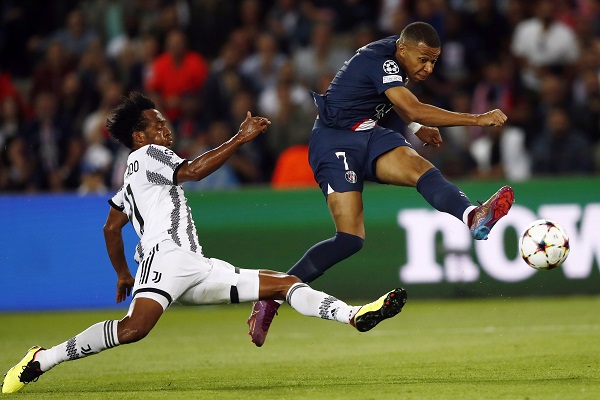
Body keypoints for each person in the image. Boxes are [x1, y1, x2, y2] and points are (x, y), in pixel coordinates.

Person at [1, 92, 407, 394]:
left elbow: (111, 227)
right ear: (140, 136)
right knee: (134, 329)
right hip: (166, 258)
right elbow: (193, 171)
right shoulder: (148, 157)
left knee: (283, 284)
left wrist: (123, 273)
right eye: (158, 125)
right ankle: (43, 359)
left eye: (166, 124)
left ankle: (354, 315)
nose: (166, 130)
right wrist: (239, 137)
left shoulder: (133, 176)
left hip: (194, 265)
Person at [247, 21, 515, 347]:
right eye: (423, 60)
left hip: (368, 133)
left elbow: (392, 99)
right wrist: (476, 119)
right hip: (334, 143)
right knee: (350, 239)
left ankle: (473, 216)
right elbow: (410, 105)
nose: (428, 68)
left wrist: (415, 124)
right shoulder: (382, 59)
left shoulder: (398, 55)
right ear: (403, 49)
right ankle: (272, 296)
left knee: (421, 168)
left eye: (434, 61)